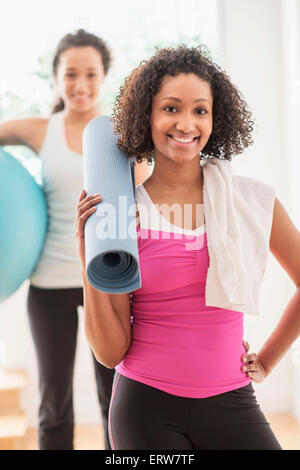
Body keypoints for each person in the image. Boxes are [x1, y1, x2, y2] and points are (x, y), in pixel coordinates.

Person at [75, 45, 300, 450]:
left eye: (200, 110)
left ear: (217, 119)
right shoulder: (123, 213)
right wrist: (88, 258)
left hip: (232, 400)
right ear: (148, 116)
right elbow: (110, 354)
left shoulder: (253, 201)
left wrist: (266, 360)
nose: (186, 123)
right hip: (145, 405)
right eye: (171, 108)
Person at [0, 29, 151, 450]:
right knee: (54, 406)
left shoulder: (123, 133)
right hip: (49, 283)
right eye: (70, 74)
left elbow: (141, 202)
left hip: (110, 281)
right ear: (56, 77)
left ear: (104, 77)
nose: (80, 85)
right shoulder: (38, 129)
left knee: (114, 400)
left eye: (90, 74)